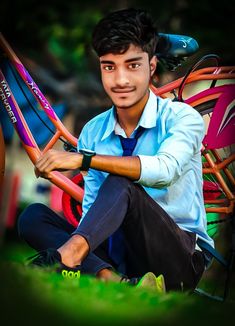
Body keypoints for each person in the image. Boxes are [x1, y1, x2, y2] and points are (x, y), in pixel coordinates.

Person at [18, 8, 214, 292]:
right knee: (34, 217)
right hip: (120, 255)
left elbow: (164, 170)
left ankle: (66, 259)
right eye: (109, 67)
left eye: (132, 65)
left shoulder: (182, 117)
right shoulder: (93, 131)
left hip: (177, 258)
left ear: (152, 66)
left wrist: (85, 159)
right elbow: (93, 212)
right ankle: (116, 280)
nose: (120, 80)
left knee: (121, 179)